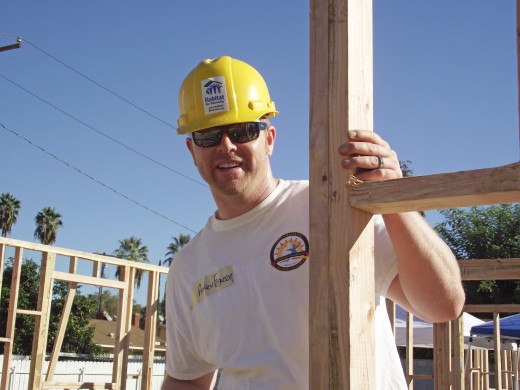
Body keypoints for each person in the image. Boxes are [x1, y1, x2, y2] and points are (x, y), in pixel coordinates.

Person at [162, 56, 465, 389]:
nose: (227, 146)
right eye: (208, 136)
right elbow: (186, 380)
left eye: (242, 130)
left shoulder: (330, 209)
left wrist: (395, 202)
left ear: (270, 139)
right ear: (192, 151)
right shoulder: (189, 268)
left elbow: (443, 304)